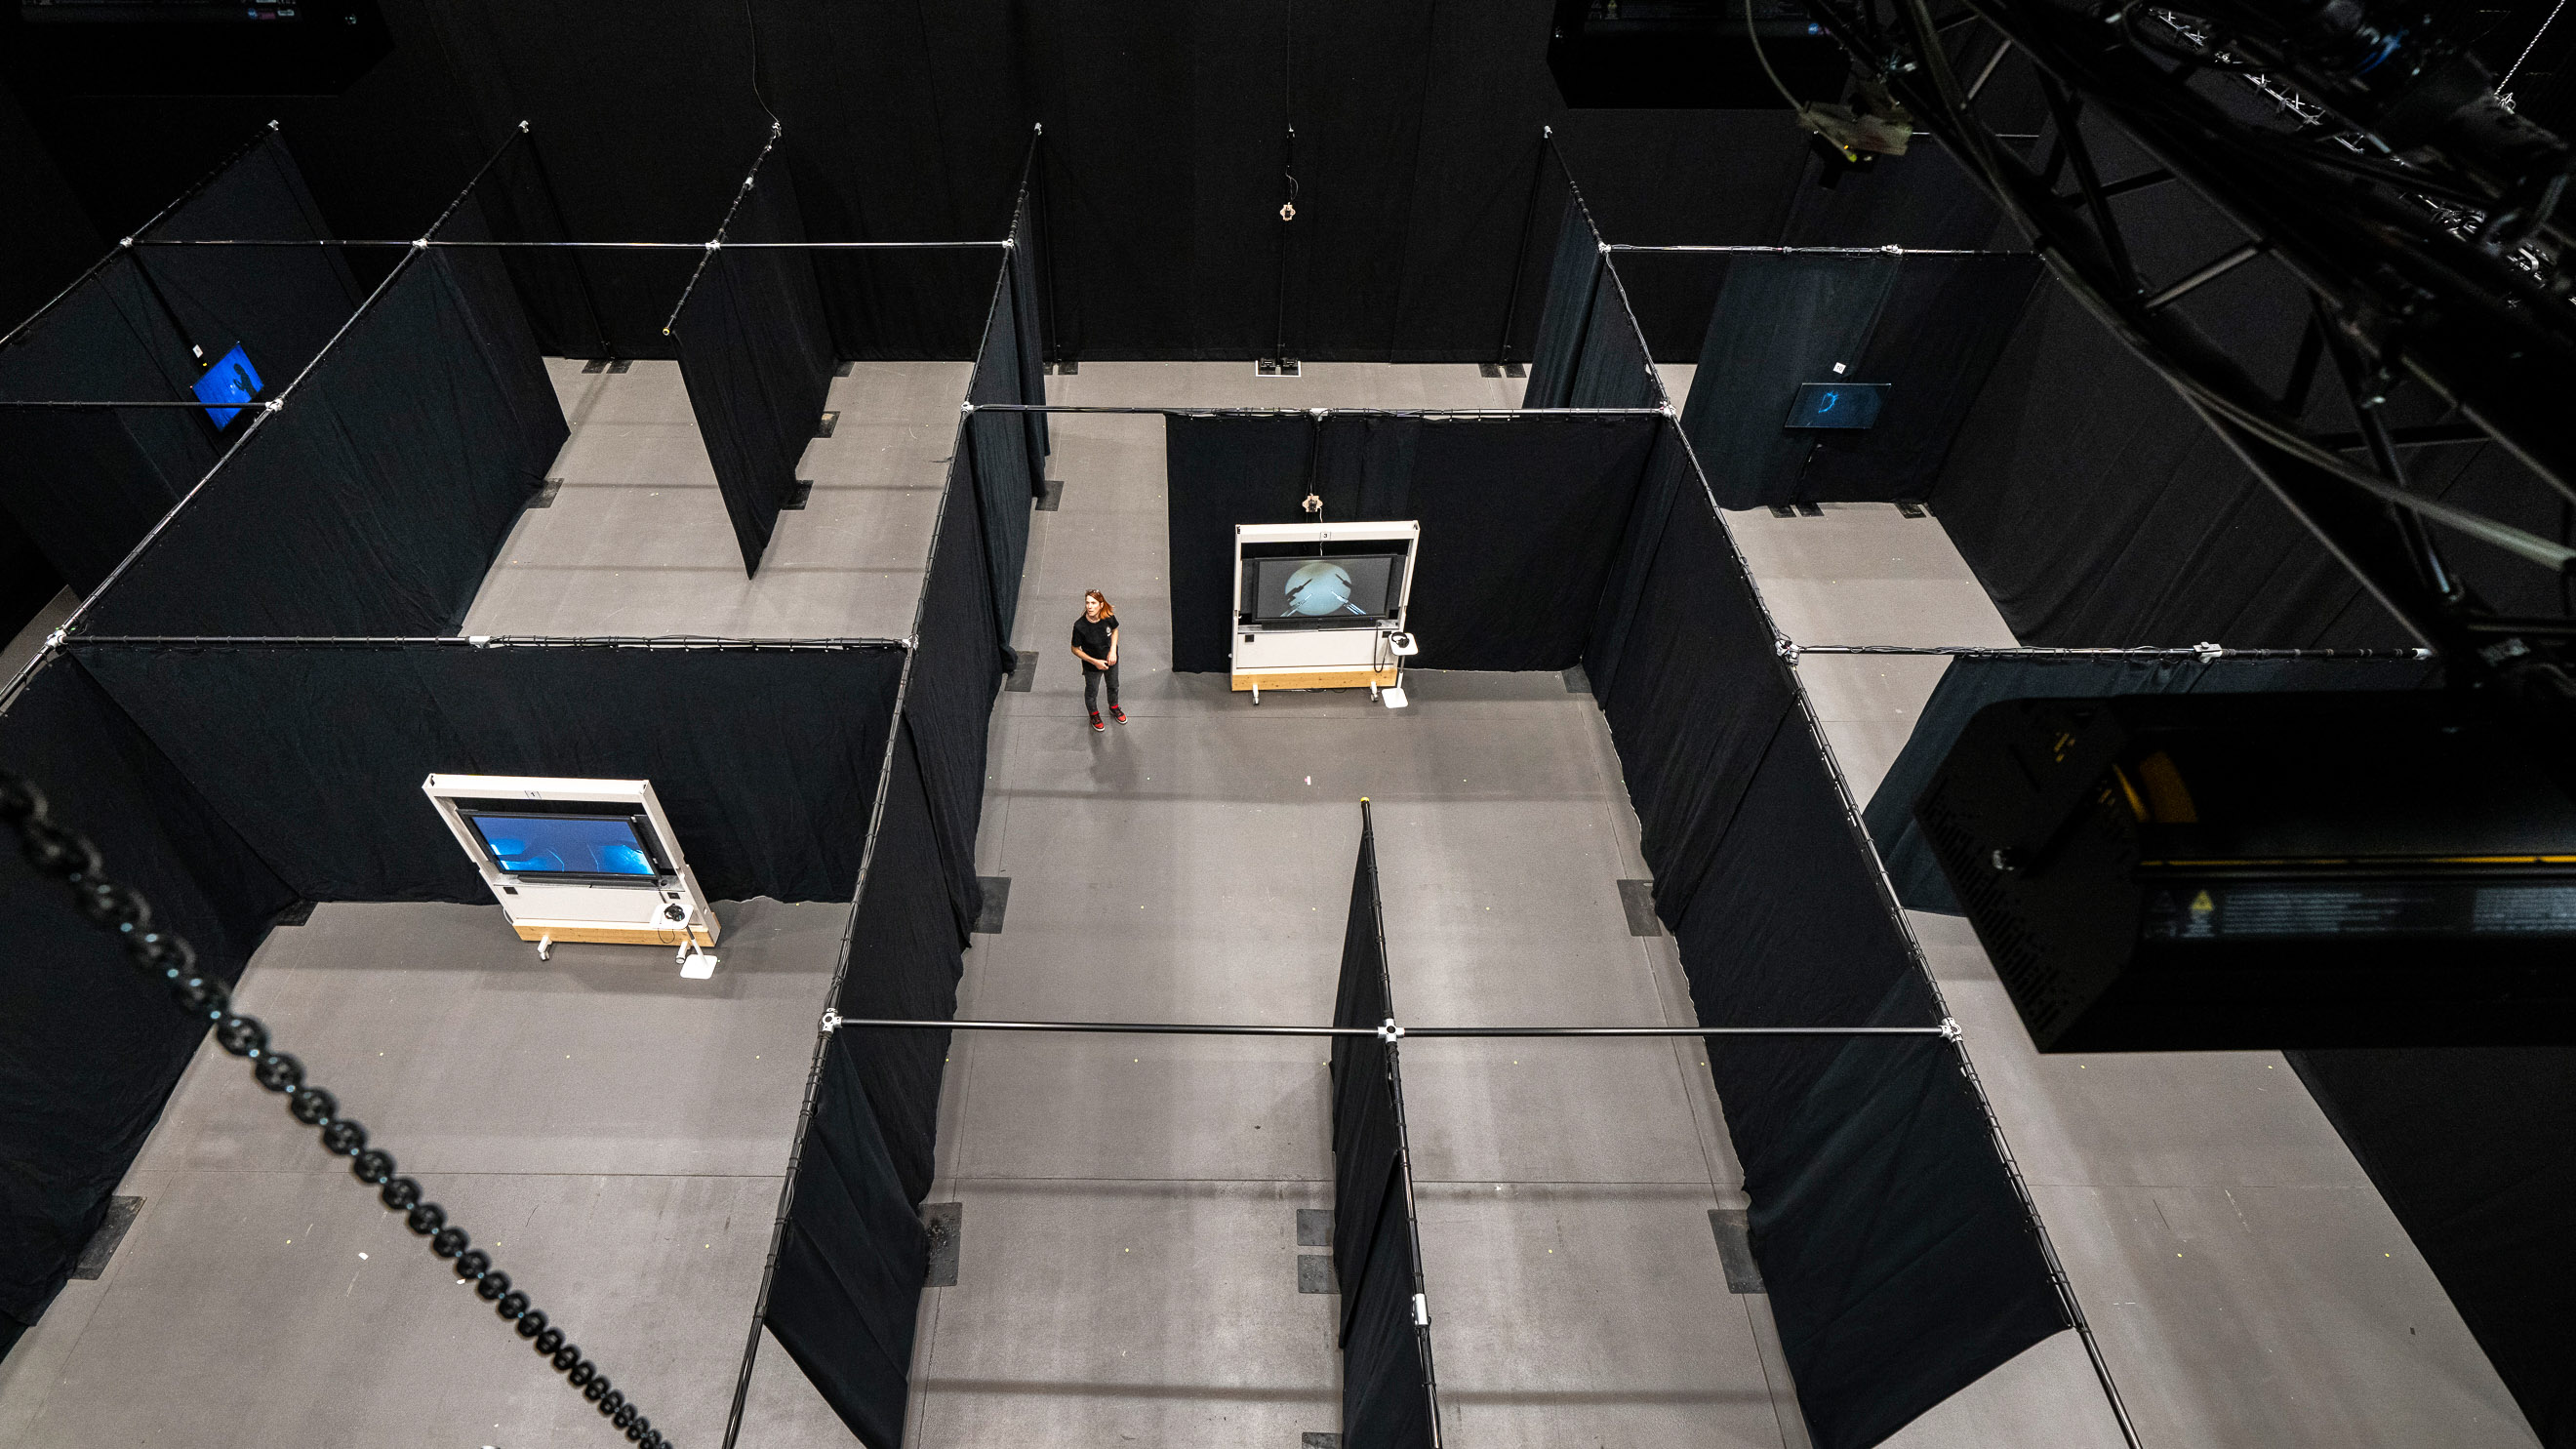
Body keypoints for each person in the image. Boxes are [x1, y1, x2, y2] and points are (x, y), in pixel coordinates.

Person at [1071, 588, 1123, 730]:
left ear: (1100, 605)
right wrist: (1095, 662)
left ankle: (1114, 707)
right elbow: (1075, 649)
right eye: (1087, 603)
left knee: (1113, 685)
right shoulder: (1080, 626)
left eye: (1093, 603)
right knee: (1091, 692)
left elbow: (1115, 630)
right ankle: (1094, 714)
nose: (1089, 606)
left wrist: (1113, 651)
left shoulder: (1108, 616)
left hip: (1111, 660)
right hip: (1092, 666)